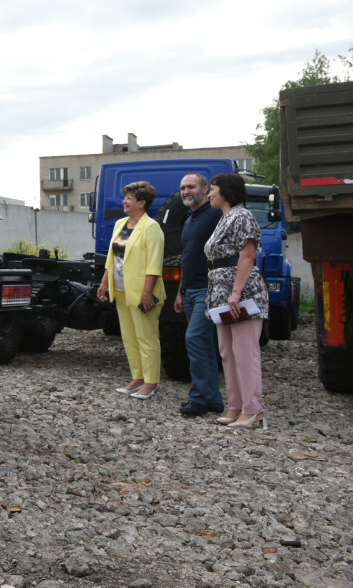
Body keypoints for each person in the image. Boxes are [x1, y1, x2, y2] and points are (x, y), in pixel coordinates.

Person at [204, 173, 270, 429]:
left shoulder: (242, 216)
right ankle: (236, 406)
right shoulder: (225, 217)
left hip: (242, 294)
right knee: (228, 353)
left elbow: (248, 255)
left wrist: (236, 292)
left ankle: (253, 409)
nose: (209, 193)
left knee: (245, 353)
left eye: (213, 189)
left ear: (226, 191)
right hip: (223, 294)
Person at [97, 181, 165, 399]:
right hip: (121, 290)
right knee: (129, 337)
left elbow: (154, 263)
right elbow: (112, 257)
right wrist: (104, 282)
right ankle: (138, 377)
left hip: (142, 292)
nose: (124, 201)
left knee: (146, 337)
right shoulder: (120, 224)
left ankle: (151, 382)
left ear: (142, 202)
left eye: (129, 198)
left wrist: (147, 293)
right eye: (124, 197)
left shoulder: (151, 227)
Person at [173, 173, 224, 416]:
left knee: (194, 338)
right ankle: (213, 399)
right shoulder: (189, 219)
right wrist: (180, 291)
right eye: (183, 188)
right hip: (190, 290)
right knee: (204, 344)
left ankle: (198, 398)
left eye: (191, 186)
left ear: (205, 189)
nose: (186, 191)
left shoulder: (215, 214)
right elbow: (188, 257)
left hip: (208, 288)